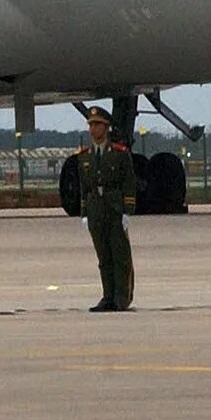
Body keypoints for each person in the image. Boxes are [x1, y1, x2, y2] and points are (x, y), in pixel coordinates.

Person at [78, 106, 135, 311]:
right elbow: (84, 188)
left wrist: (127, 210)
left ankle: (122, 297)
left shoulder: (119, 153)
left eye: (97, 125)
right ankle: (108, 296)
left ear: (106, 127)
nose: (93, 129)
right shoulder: (84, 157)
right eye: (91, 125)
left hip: (114, 207)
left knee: (120, 255)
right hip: (96, 209)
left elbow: (128, 182)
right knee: (103, 257)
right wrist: (84, 213)